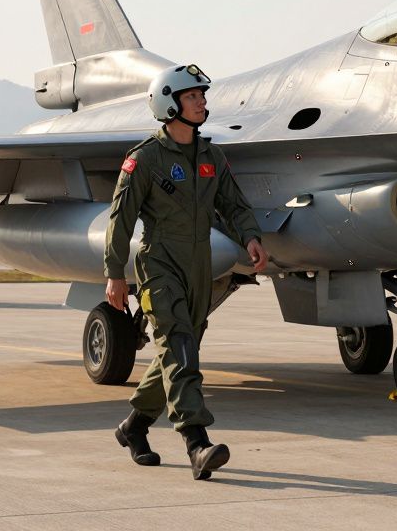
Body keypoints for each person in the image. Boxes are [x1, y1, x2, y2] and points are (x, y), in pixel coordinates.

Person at [104, 64, 268, 480]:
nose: (202, 102)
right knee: (180, 347)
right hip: (160, 263)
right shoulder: (144, 159)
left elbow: (234, 204)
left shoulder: (212, 156)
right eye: (193, 96)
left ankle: (134, 428)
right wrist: (114, 274)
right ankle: (197, 442)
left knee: (175, 352)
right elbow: (120, 219)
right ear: (169, 104)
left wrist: (250, 237)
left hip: (198, 267)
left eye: (201, 96)